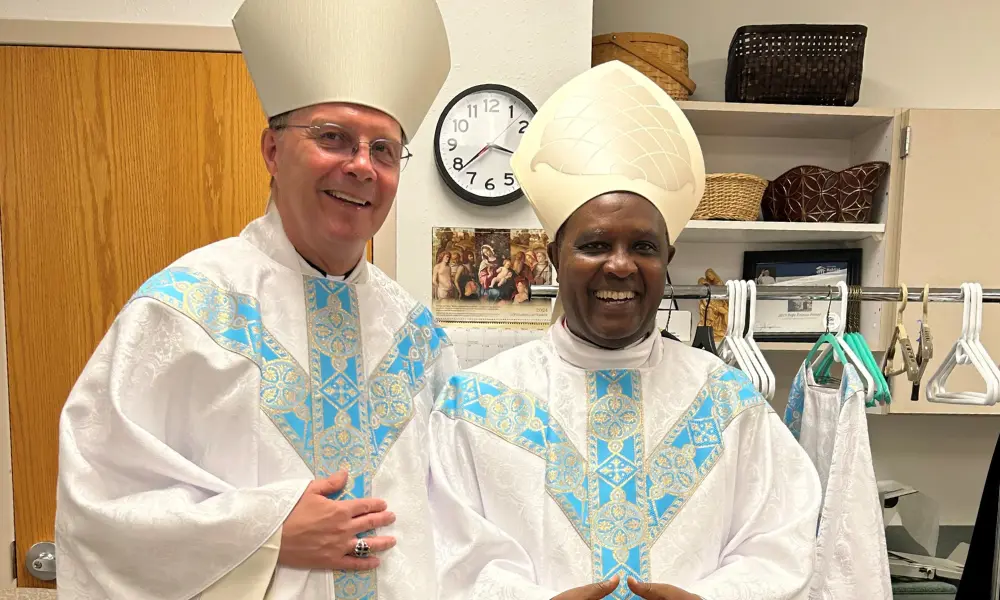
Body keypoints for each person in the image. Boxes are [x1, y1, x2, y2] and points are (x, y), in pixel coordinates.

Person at [53, 0, 455, 598]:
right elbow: (99, 509)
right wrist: (266, 533)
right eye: (333, 138)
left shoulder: (418, 337)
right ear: (272, 149)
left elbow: (453, 522)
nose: (361, 167)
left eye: (384, 150)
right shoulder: (182, 312)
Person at [428, 60, 823, 600]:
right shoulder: (473, 405)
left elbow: (784, 542)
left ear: (668, 259)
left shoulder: (730, 402)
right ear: (553, 257)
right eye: (593, 245)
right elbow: (448, 553)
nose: (620, 266)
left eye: (643, 247)